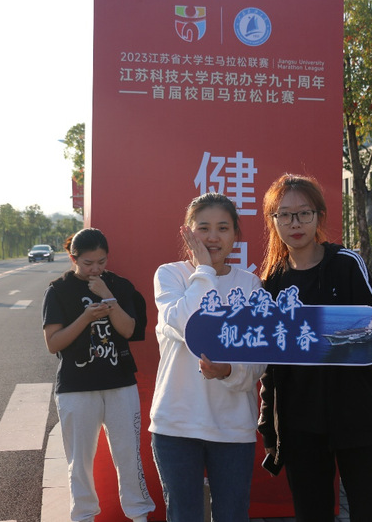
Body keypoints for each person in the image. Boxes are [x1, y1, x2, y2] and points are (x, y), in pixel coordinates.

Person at [257, 174, 372, 522]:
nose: (295, 223)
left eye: (304, 213)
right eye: (284, 214)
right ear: (273, 221)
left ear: (319, 216)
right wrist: (270, 425)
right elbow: (269, 363)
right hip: (300, 423)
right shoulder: (271, 282)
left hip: (358, 415)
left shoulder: (345, 264)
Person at [150, 193, 265, 522]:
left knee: (232, 515)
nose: (213, 237)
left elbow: (258, 360)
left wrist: (229, 371)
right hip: (176, 425)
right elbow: (187, 324)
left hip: (233, 428)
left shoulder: (250, 285)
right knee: (183, 515)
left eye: (223, 228)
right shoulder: (170, 275)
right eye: (203, 228)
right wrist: (203, 270)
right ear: (187, 232)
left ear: (235, 235)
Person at [42, 228, 154, 522]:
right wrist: (86, 317)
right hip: (76, 386)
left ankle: (139, 515)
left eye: (101, 262)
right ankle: (83, 516)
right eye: (88, 263)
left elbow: (128, 330)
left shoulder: (118, 285)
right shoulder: (58, 290)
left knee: (128, 455)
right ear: (73, 258)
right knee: (79, 461)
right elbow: (53, 343)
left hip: (120, 383)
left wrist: (108, 297)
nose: (95, 269)